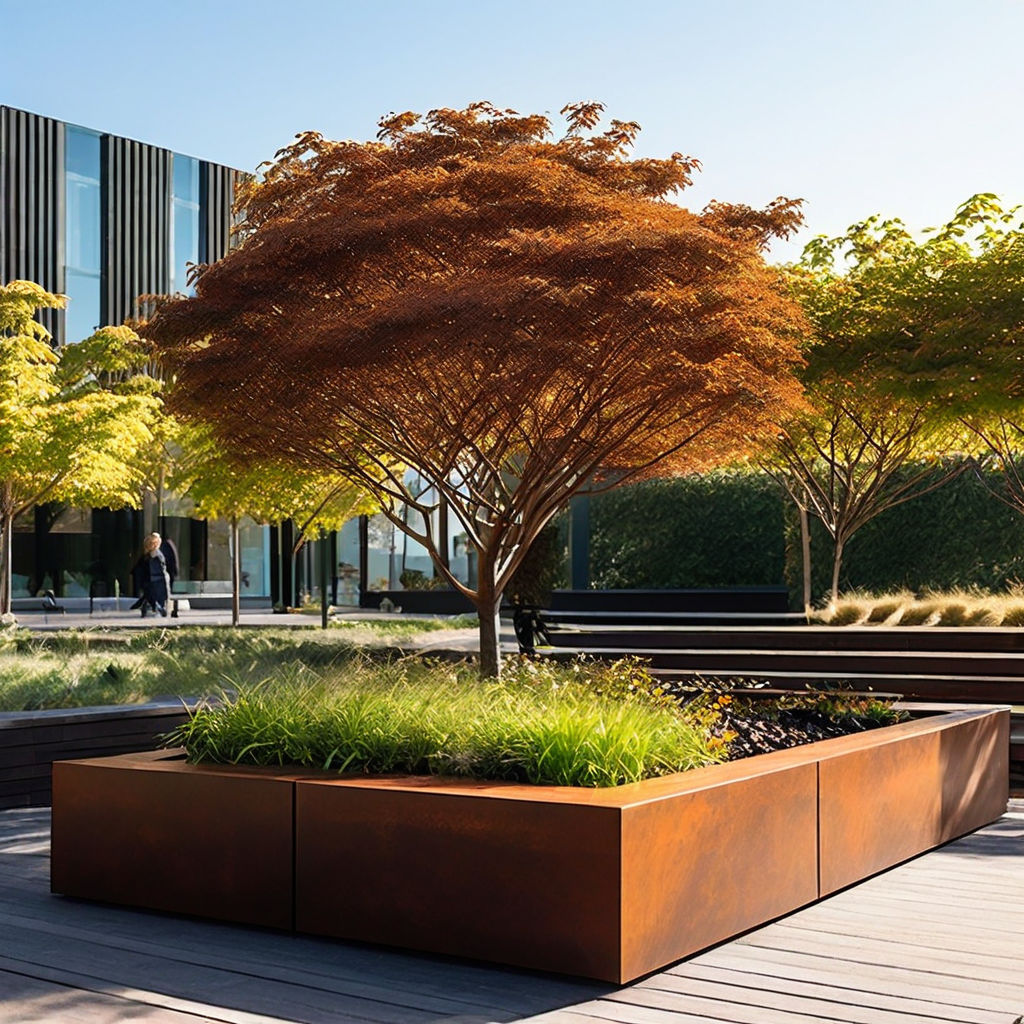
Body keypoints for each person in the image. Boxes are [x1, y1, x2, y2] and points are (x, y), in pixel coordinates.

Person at [131, 533, 171, 618]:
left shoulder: (151, 555)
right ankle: (158, 609)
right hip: (156, 580)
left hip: (154, 580)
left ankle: (157, 609)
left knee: (153, 597)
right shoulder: (154, 555)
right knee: (156, 598)